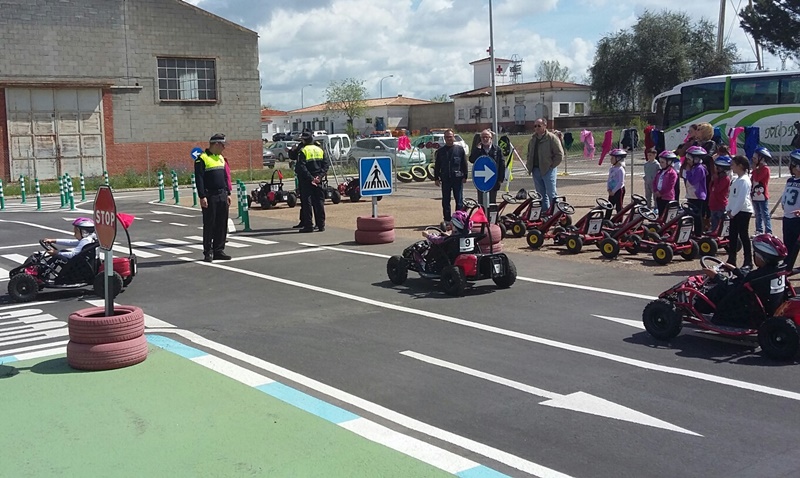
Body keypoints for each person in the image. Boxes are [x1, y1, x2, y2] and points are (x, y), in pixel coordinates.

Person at [702, 234, 788, 326]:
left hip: (744, 311)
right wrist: (735, 270)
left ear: (761, 257)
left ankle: (698, 306)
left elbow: (733, 288)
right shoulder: (774, 272)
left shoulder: (757, 277)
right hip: (767, 306)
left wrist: (716, 276)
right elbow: (749, 278)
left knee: (717, 290)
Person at [195, 133, 232, 262]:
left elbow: (224, 178)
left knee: (222, 223)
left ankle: (219, 250)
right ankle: (208, 252)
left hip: (222, 194)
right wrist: (202, 196)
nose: (224, 148)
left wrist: (228, 193)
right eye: (222, 145)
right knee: (210, 224)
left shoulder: (221, 158)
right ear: (216, 144)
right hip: (210, 195)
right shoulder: (202, 158)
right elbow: (199, 179)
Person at [526, 118, 564, 213]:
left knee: (551, 193)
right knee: (541, 194)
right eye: (535, 126)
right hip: (536, 169)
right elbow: (529, 153)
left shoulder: (551, 138)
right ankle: (544, 212)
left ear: (545, 126)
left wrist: (551, 166)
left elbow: (559, 154)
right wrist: (529, 165)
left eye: (539, 126)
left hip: (548, 170)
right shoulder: (533, 139)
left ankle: (556, 213)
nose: (536, 128)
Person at [433, 129, 468, 227]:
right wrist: (436, 178)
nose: (449, 139)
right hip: (445, 179)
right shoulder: (440, 151)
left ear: (454, 137)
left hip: (457, 178)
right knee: (446, 201)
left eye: (450, 136)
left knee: (459, 200)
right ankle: (447, 219)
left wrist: (465, 175)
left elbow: (464, 164)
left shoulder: (459, 150)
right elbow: (437, 166)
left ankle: (459, 218)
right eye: (447, 137)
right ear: (444, 139)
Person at [295, 131, 329, 233]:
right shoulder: (319, 149)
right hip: (318, 179)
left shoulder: (303, 151)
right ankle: (321, 225)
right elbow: (326, 165)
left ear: (305, 140)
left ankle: (308, 226)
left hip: (306, 181)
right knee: (319, 202)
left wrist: (311, 179)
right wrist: (319, 177)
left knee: (307, 203)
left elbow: (301, 167)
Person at [726, 155, 754, 269]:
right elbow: (732, 197)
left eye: (733, 164)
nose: (731, 167)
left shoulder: (744, 180)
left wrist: (733, 212)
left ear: (740, 166)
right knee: (732, 236)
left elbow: (741, 198)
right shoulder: (736, 179)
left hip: (743, 211)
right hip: (734, 211)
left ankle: (748, 261)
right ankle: (731, 260)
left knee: (743, 235)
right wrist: (728, 209)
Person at [468, 128, 505, 203]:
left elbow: (502, 165)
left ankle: (491, 215)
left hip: (493, 179)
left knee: (492, 202)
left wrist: (500, 179)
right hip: (481, 181)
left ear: (491, 138)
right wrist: (477, 150)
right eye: (483, 137)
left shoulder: (497, 150)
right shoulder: (478, 149)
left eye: (487, 137)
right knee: (481, 202)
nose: (485, 139)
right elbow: (472, 160)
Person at [682, 145, 709, 235]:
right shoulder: (694, 168)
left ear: (696, 159)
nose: (688, 162)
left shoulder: (699, 169)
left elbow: (693, 181)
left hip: (697, 196)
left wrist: (688, 172)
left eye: (689, 160)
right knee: (691, 215)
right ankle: (693, 232)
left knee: (697, 216)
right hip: (691, 195)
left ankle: (698, 233)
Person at [781, 149, 800, 269]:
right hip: (787, 217)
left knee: (796, 245)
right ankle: (787, 267)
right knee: (788, 244)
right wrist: (783, 202)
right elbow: (785, 194)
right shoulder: (790, 180)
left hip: (797, 219)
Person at [751, 146, 773, 235]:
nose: (754, 160)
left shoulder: (765, 169)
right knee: (757, 214)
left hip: (762, 195)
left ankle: (768, 231)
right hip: (755, 195)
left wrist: (754, 170)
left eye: (756, 158)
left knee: (765, 214)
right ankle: (758, 230)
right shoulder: (757, 169)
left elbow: (757, 179)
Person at [708, 155, 731, 233]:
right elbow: (711, 189)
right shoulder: (717, 178)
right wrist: (713, 180)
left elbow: (717, 190)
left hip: (720, 204)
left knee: (720, 222)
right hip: (713, 204)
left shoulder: (725, 179)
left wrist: (716, 179)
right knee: (714, 221)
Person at [653, 150, 678, 215]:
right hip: (659, 197)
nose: (660, 164)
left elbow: (670, 186)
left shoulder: (672, 173)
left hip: (667, 198)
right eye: (660, 162)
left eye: (662, 162)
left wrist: (661, 193)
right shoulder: (659, 172)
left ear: (669, 162)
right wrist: (656, 191)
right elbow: (654, 182)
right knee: (661, 213)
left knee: (666, 215)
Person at [605, 148, 626, 220]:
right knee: (609, 206)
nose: (611, 159)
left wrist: (614, 191)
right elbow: (609, 179)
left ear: (618, 158)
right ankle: (606, 220)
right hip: (611, 191)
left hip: (618, 190)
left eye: (612, 158)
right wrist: (608, 189)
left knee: (618, 206)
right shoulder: (612, 168)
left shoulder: (620, 169)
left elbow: (621, 182)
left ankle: (619, 220)